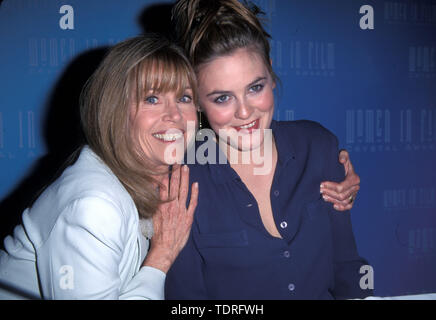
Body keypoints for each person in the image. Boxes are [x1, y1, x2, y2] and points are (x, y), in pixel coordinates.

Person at [165, 0, 371, 299]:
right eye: (223, 98)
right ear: (196, 101)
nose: (245, 112)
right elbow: (186, 300)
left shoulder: (319, 146)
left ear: (271, 76)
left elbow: (347, 269)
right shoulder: (184, 177)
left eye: (254, 88)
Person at [0, 34, 199, 299]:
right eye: (152, 98)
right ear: (115, 110)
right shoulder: (93, 205)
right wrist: (161, 257)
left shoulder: (139, 182)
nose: (175, 115)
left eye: (184, 98)